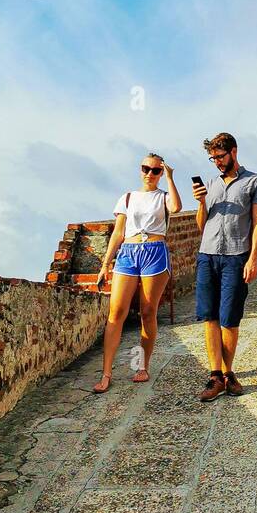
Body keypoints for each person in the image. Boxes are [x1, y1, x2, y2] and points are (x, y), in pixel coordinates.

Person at [93, 153, 182, 393]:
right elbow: (118, 233)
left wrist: (171, 179)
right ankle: (106, 373)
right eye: (146, 168)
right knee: (116, 312)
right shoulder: (128, 197)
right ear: (140, 169)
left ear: (161, 173)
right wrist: (105, 264)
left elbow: (176, 207)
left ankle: (143, 365)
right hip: (128, 253)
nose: (149, 174)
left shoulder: (163, 197)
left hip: (155, 252)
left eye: (155, 170)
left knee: (147, 311)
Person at [193, 132, 257, 402]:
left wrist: (253, 258)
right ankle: (216, 375)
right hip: (207, 254)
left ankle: (228, 372)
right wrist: (201, 202)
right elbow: (202, 225)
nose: (217, 163)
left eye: (220, 157)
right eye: (212, 158)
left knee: (229, 319)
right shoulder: (211, 184)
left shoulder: (253, 182)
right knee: (209, 317)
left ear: (234, 152)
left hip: (236, 256)